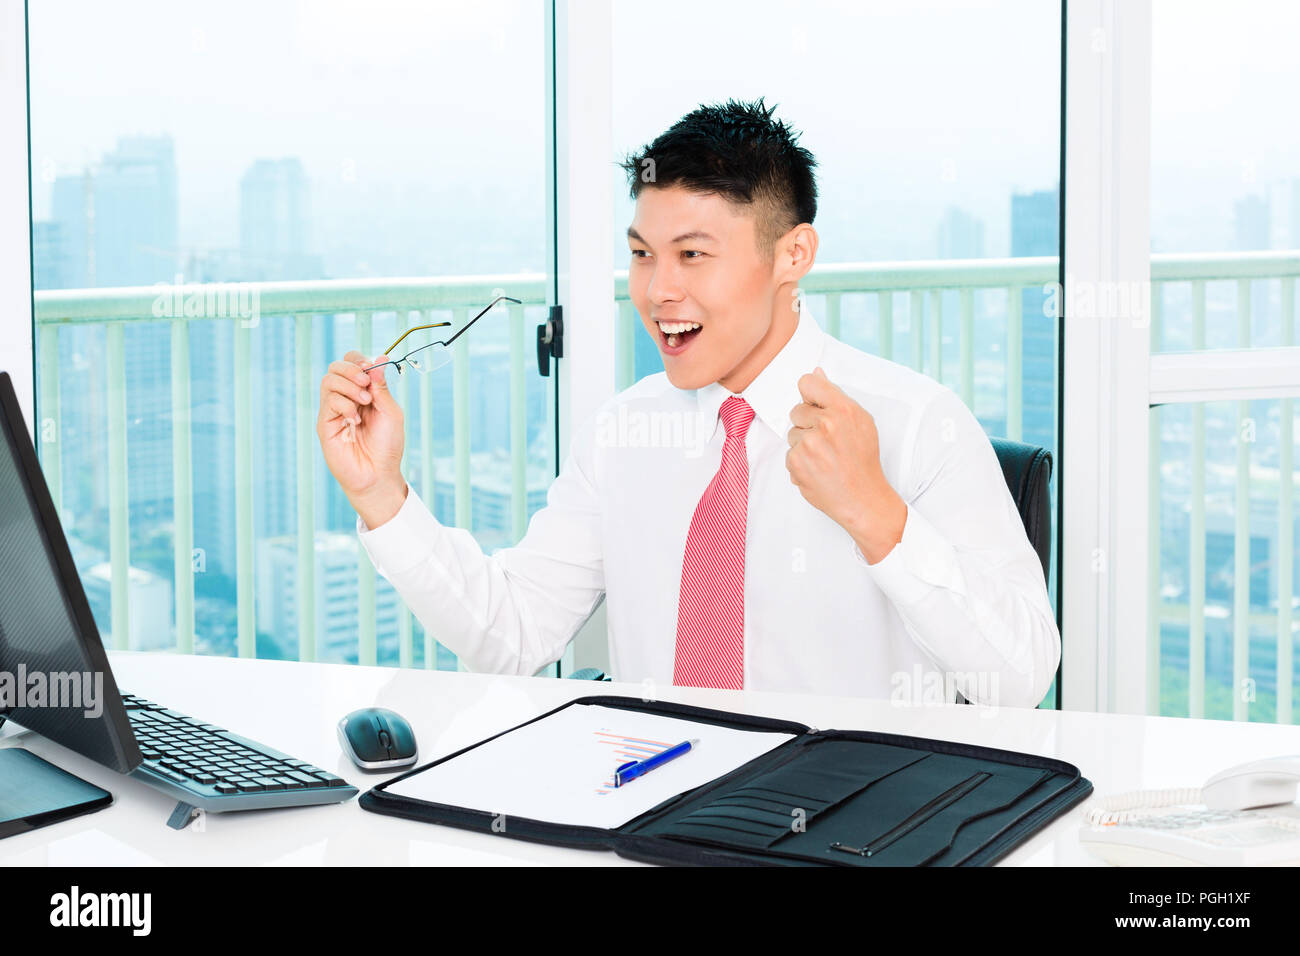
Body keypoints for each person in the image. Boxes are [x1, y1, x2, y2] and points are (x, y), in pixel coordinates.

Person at [317, 97, 1060, 707]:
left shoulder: (916, 425)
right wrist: (383, 497)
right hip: (652, 810)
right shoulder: (624, 433)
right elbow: (510, 633)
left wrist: (878, 514)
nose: (658, 290)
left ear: (792, 256)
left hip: (851, 829)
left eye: (693, 255)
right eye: (642, 254)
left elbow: (1021, 677)